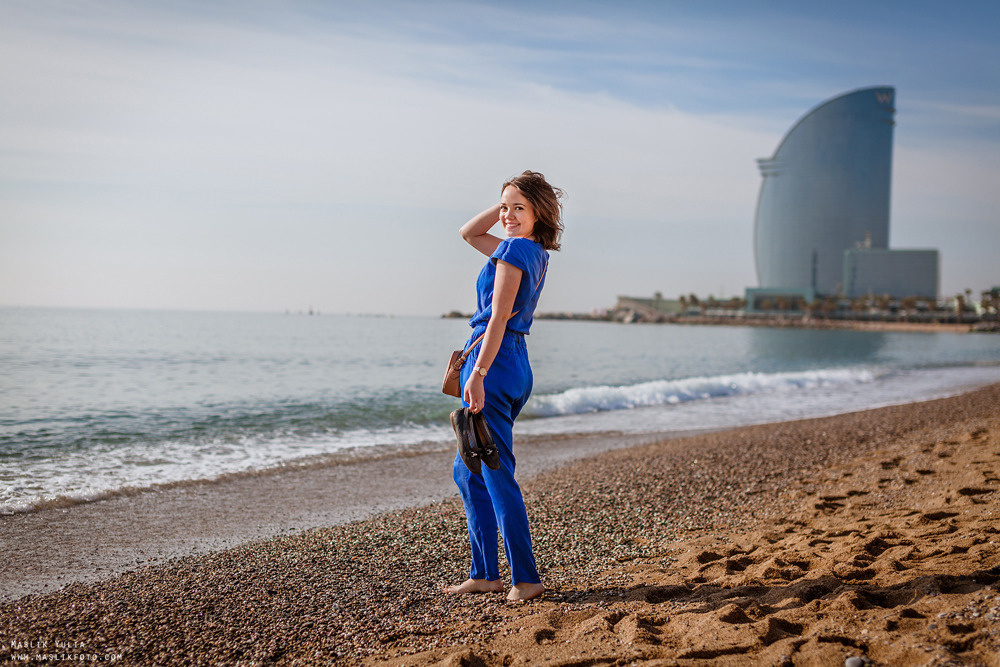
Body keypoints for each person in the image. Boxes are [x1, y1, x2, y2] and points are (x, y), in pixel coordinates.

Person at [445, 170, 564, 602]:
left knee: (496, 472)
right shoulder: (531, 250)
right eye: (504, 207)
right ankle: (484, 573)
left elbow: (497, 316)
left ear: (538, 214)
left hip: (492, 362)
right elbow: (469, 232)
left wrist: (477, 374)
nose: (508, 215)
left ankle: (526, 579)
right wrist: (502, 207)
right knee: (468, 469)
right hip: (513, 361)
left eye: (519, 208)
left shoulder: (514, 249)